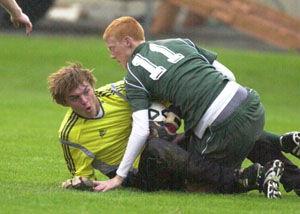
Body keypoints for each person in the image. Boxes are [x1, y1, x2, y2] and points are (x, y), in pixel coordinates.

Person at [99, 16, 300, 197]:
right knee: (241, 137)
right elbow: (229, 75)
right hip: (248, 100)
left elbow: (141, 129)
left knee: (199, 181)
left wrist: (119, 177)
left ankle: (259, 175)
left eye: (111, 48)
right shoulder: (178, 42)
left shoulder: (134, 75)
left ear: (127, 42)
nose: (111, 55)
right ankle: (285, 151)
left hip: (220, 122)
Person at [48, 62, 300, 198]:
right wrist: (80, 184)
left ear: (91, 84)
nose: (85, 101)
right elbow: (82, 178)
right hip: (141, 174)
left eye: (85, 91)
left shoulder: (118, 92)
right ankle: (247, 176)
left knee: (230, 130)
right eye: (74, 98)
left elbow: (170, 99)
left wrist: (167, 122)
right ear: (64, 103)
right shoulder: (70, 135)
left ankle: (293, 179)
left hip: (168, 145)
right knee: (156, 147)